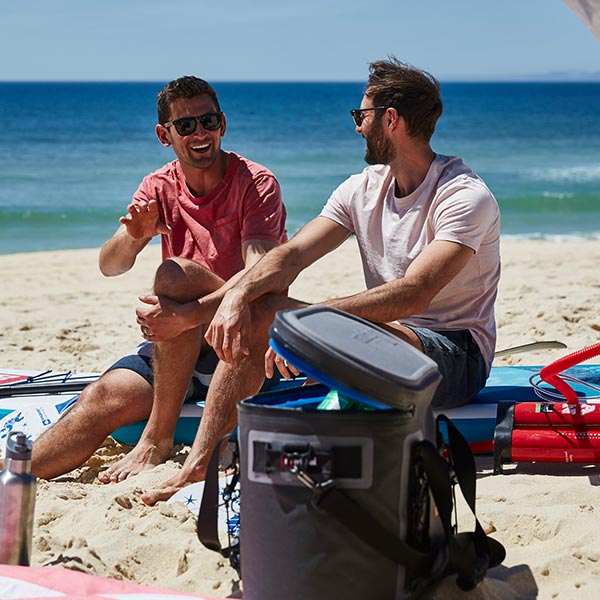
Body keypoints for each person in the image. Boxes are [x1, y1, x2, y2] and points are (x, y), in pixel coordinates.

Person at [136, 57, 501, 506]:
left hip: (453, 353)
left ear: (390, 120)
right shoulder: (362, 189)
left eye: (361, 115)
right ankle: (201, 462)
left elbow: (414, 293)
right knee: (256, 310)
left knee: (274, 317)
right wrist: (236, 297)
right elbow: (290, 256)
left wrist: (309, 325)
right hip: (388, 336)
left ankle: (200, 465)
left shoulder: (464, 196)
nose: (357, 127)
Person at [30, 75, 287, 481]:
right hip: (181, 350)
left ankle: (156, 438)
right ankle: (14, 473)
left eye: (208, 121)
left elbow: (262, 275)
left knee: (173, 275)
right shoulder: (158, 186)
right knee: (104, 397)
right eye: (185, 125)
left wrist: (189, 314)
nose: (199, 133)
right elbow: (110, 266)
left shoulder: (255, 183)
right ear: (165, 135)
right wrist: (134, 237)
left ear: (222, 124)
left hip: (242, 339)